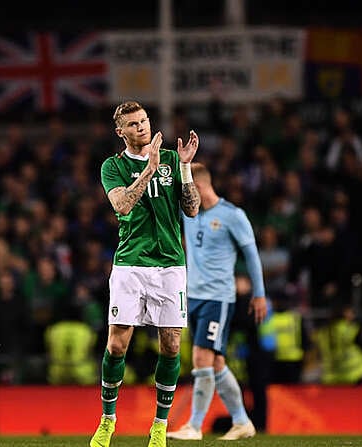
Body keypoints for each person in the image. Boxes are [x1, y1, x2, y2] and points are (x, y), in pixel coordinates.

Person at [90, 100, 201, 447]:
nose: (142, 127)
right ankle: (108, 420)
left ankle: (159, 426)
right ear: (120, 131)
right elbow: (122, 204)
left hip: (170, 264)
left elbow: (193, 209)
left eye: (144, 120)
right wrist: (148, 170)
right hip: (130, 264)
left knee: (170, 346)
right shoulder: (113, 166)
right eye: (133, 124)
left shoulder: (171, 158)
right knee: (117, 344)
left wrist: (184, 169)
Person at [166, 162, 267, 441]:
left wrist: (259, 294)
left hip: (218, 298)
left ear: (197, 187)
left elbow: (252, 256)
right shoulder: (189, 214)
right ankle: (242, 421)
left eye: (187, 190)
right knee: (216, 363)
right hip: (193, 297)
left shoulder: (232, 216)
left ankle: (194, 426)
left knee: (202, 357)